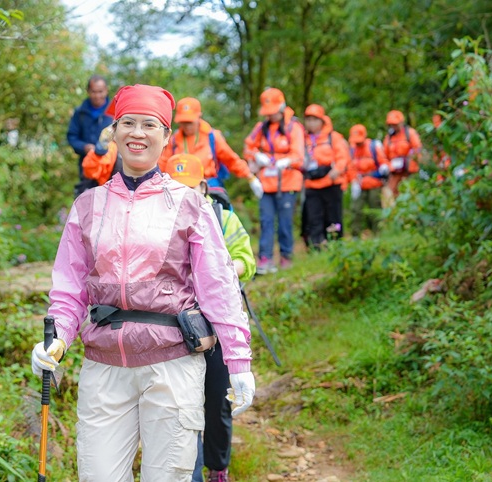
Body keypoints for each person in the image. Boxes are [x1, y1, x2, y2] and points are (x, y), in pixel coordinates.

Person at [32, 84, 256, 482]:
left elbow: (218, 289)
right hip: (103, 368)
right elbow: (70, 288)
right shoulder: (88, 206)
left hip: (172, 365)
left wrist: (238, 362)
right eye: (128, 123)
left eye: (149, 125)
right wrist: (58, 338)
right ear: (114, 132)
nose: (138, 133)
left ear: (166, 136)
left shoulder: (191, 205)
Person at [163, 154, 255, 482]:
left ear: (204, 186)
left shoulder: (224, 218)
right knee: (181, 405)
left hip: (215, 322)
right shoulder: (158, 218)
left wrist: (218, 271)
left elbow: (247, 259)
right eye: (175, 188)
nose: (183, 195)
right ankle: (191, 472)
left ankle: (217, 467)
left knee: (217, 400)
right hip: (175, 323)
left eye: (190, 188)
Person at [243, 88, 305, 274]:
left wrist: (287, 160)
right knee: (266, 220)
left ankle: (286, 257)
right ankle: (265, 258)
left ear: (282, 108)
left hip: (288, 182)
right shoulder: (261, 128)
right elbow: (248, 148)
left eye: (273, 112)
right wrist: (257, 156)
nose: (271, 116)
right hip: (266, 184)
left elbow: (299, 155)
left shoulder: (294, 127)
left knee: (285, 221)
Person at [159, 97, 264, 198]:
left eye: (190, 122)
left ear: (199, 117)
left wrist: (250, 177)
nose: (186, 126)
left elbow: (231, 159)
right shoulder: (173, 140)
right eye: (183, 122)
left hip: (209, 185)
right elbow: (163, 164)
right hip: (180, 186)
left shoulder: (212, 137)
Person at [300, 104, 350, 249]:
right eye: (308, 119)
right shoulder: (303, 140)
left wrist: (337, 170)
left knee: (333, 216)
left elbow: (343, 157)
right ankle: (317, 246)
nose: (311, 123)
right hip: (311, 185)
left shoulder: (333, 137)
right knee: (314, 217)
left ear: (322, 121)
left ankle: (336, 245)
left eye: (314, 119)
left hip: (331, 183)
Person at [66, 75, 114, 197]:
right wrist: (84, 147)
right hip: (87, 166)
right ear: (88, 91)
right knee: (88, 201)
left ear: (106, 90)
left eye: (100, 91)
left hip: (111, 167)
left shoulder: (114, 112)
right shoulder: (80, 112)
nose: (97, 95)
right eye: (94, 92)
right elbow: (72, 136)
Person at [347, 124, 389, 237]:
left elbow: (383, 161)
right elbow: (351, 167)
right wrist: (354, 181)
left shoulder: (374, 146)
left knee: (375, 210)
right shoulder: (352, 149)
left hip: (374, 184)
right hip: (360, 184)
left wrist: (384, 167)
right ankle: (355, 235)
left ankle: (378, 234)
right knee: (356, 209)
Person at [382, 110, 422, 204]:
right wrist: (389, 166)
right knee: (391, 195)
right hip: (395, 173)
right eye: (391, 124)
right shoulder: (389, 138)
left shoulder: (410, 133)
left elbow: (417, 149)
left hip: (408, 171)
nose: (394, 126)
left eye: (395, 124)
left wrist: (409, 161)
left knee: (410, 194)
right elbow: (384, 156)